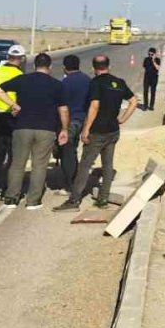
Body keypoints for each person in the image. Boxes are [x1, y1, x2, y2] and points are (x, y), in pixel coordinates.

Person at [56, 55, 137, 211]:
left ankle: (74, 201)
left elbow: (94, 106)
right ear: (109, 66)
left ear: (94, 68)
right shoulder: (119, 82)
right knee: (108, 165)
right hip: (113, 130)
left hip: (98, 131)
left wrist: (86, 129)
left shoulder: (95, 83)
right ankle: (103, 199)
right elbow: (133, 102)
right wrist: (122, 119)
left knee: (84, 166)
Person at [3, 52, 69, 209]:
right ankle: (33, 201)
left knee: (17, 164)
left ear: (34, 65)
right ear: (50, 66)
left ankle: (11, 198)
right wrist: (64, 129)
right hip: (46, 129)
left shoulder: (22, 79)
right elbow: (63, 109)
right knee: (39, 165)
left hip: (22, 127)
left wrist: (13, 104)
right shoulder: (56, 84)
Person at [0, 42, 26, 198]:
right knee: (13, 153)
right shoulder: (21, 76)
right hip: (14, 116)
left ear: (8, 57)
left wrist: (1, 97)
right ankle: (6, 187)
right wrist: (12, 102)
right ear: (22, 59)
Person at [59, 53, 91, 192]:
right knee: (77, 150)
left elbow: (61, 105)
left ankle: (70, 184)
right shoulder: (88, 80)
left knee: (68, 151)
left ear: (65, 68)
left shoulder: (65, 83)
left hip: (70, 121)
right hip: (84, 120)